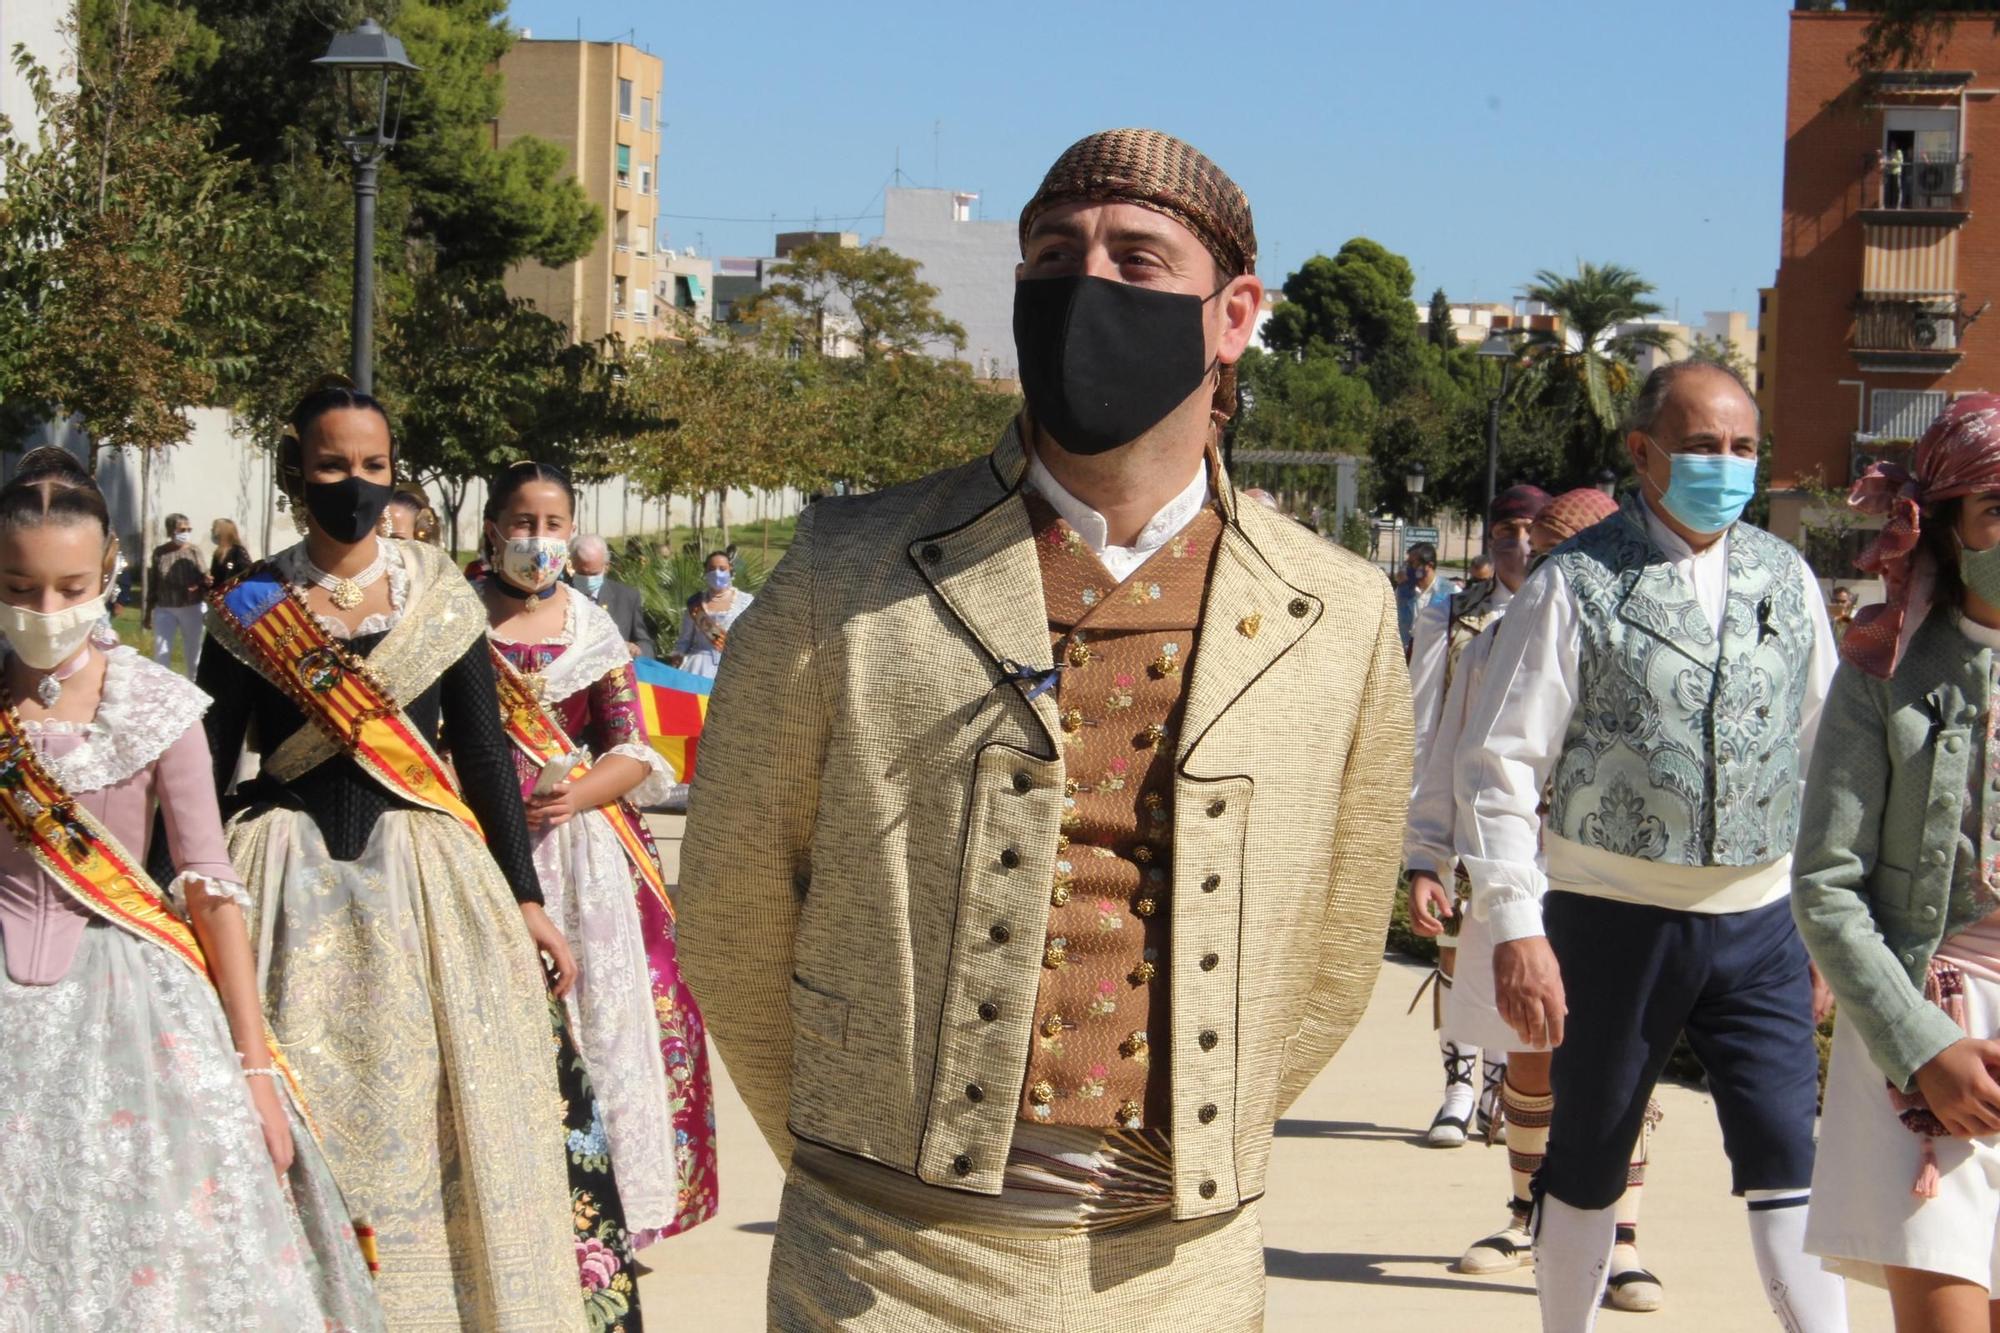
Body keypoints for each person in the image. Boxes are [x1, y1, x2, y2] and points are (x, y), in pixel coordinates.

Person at [678, 127, 1411, 1333]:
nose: (1086, 287)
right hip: (880, 1260)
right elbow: (733, 909)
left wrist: (1203, 1138)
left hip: (1179, 1265)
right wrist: (852, 1142)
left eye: (1136, 258)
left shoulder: (1335, 611)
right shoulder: (842, 571)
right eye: (1052, 255)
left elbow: (1333, 947)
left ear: (1232, 315)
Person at [195, 385, 634, 1331]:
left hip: (430, 881)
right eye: (330, 465)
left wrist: (523, 898)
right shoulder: (250, 603)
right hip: (280, 875)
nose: (352, 484)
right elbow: (205, 758)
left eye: (372, 466)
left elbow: (479, 753)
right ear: (295, 471)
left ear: (394, 471)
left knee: (446, 1109)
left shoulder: (440, 593)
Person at [1455, 360, 1847, 1331]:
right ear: (1642, 452)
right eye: (1702, 447)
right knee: (1584, 1161)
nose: (1726, 465)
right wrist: (1515, 924)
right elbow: (1498, 761)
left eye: (1742, 448)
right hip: (1609, 922)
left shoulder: (1783, 578)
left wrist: (1824, 923)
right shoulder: (1575, 584)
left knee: (1788, 1158)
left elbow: (1823, 759)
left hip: (1756, 927)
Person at [0, 448, 383, 1329]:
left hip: (130, 1006)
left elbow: (210, 889)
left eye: (67, 586)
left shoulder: (156, 703)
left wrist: (253, 1065)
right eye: (19, 588)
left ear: (106, 573)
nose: (45, 610)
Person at [1414, 487, 1670, 1313]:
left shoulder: (1652, 642)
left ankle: (1620, 1241)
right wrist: (1427, 856)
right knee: (1532, 1054)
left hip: (1619, 882)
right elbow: (1454, 755)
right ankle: (1526, 1217)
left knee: (1628, 1066)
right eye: (1551, 551)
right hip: (1517, 882)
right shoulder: (1492, 644)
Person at [1796, 394, 2000, 1331]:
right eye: (1997, 508)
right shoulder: (1882, 668)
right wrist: (1924, 1047)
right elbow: (1827, 884)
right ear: (1950, 529)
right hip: (1925, 1029)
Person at [479, 462, 718, 1246]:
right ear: (490, 528)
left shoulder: (592, 630)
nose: (537, 540)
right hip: (480, 848)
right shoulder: (453, 625)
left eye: (552, 525)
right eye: (523, 522)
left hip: (587, 856)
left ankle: (608, 1212)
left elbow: (633, 749)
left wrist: (576, 794)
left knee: (613, 1021)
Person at [1404, 484, 1550, 1149]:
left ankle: (1504, 1082)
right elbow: (1426, 719)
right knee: (1456, 945)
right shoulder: (1452, 617)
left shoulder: (1568, 617)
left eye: (1530, 531)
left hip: (1537, 823)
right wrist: (1423, 838)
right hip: (1465, 805)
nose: (1517, 544)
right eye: (1505, 531)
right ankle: (1461, 1082)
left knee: (1513, 945)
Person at [143, 511, 208, 678]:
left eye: (188, 529)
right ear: (171, 530)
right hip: (165, 607)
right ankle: (162, 688)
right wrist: (148, 611)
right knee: (161, 651)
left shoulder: (194, 551)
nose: (185, 533)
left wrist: (201, 584)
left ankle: (195, 684)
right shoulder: (160, 553)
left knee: (193, 652)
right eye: (181, 530)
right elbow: (154, 582)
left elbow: (205, 576)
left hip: (191, 607)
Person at [570, 533, 656, 658]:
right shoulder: (559, 595)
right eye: (582, 573)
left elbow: (645, 642)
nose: (588, 579)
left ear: (606, 567)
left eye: (594, 574)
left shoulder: (627, 597)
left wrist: (637, 650)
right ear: (572, 565)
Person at [669, 550, 750, 678]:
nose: (717, 573)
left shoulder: (745, 602)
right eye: (712, 569)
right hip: (697, 667)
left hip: (732, 665)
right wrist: (677, 656)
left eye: (722, 568)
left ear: (730, 570)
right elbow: (684, 640)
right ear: (706, 572)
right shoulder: (696, 604)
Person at [1396, 540, 1452, 655]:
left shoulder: (1450, 593)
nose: (1409, 568)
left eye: (1413, 563)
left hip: (1434, 656)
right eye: (1408, 563)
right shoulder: (1402, 592)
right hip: (1405, 656)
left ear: (1429, 566)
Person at [209, 516, 253, 586]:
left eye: (214, 529)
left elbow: (247, 573)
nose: (211, 531)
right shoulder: (217, 554)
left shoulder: (238, 551)